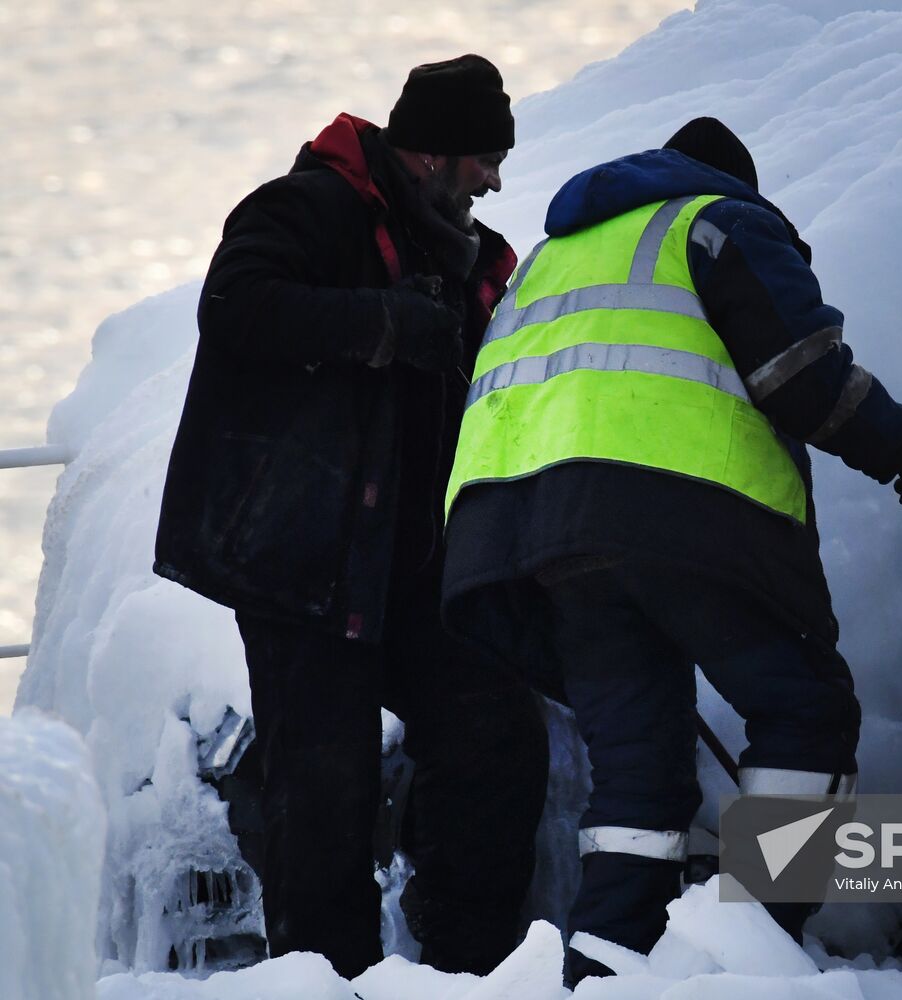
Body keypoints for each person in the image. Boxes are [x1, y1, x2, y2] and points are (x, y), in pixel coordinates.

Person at [439, 117, 902, 980]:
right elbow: (800, 372)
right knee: (803, 712)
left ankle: (604, 971)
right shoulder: (719, 221)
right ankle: (754, 952)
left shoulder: (551, 257)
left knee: (638, 769)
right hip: (678, 509)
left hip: (537, 539)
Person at [153, 56, 549, 978]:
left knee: (497, 730)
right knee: (322, 790)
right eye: (486, 158)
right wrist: (377, 325)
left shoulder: (469, 261)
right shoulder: (306, 209)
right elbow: (235, 306)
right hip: (303, 563)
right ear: (433, 154)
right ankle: (331, 983)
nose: (495, 179)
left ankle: (464, 971)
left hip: (411, 570)